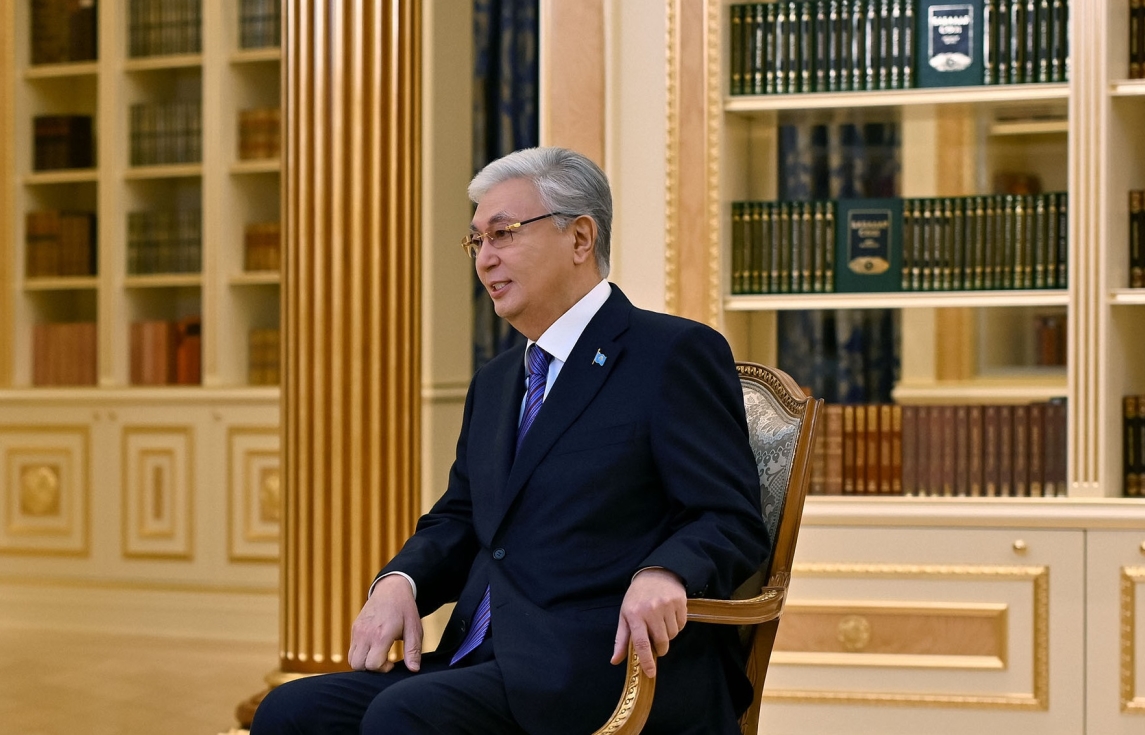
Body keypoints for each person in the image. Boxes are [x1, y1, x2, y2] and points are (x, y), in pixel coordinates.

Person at [251, 147, 769, 735]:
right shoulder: (497, 381)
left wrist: (666, 572)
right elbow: (460, 517)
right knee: (290, 712)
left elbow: (729, 516)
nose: (485, 258)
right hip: (482, 658)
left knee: (404, 716)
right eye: (476, 241)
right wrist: (400, 582)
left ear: (580, 238)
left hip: (604, 664)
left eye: (503, 234)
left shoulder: (671, 354)